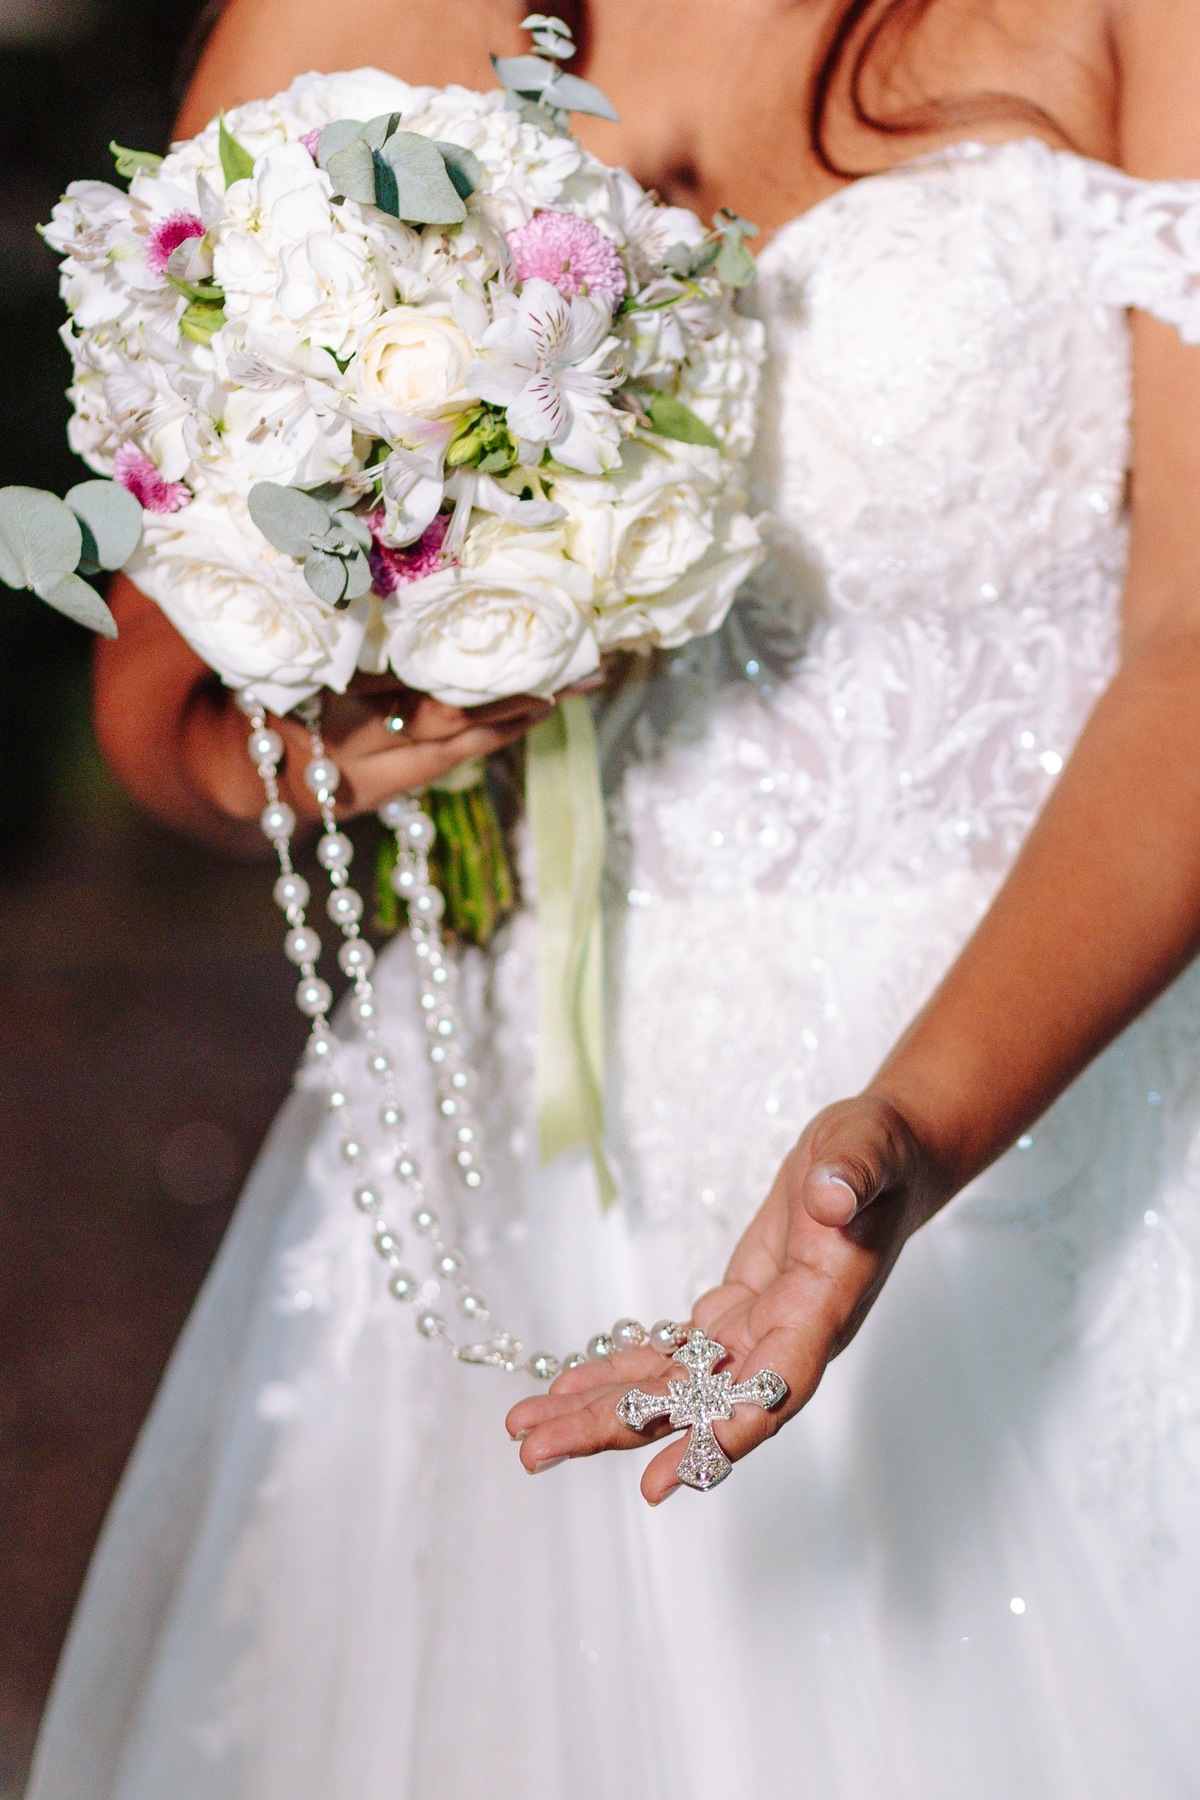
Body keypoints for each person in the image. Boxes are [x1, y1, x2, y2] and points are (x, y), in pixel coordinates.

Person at [25, 0, 1200, 1793]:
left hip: (1050, 1093)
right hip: (550, 1169)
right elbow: (159, 686)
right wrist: (358, 734)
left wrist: (917, 1131)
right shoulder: (344, 22)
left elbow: (1194, 649)